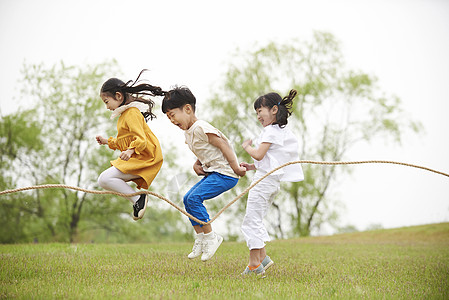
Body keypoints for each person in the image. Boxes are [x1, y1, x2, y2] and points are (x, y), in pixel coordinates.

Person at [162, 86, 246, 261]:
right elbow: (204, 151)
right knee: (187, 199)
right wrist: (197, 163)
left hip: (225, 174)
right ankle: (201, 238)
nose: (171, 120)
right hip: (213, 173)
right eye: (168, 117)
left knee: (194, 199)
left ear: (187, 109)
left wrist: (236, 167)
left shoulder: (201, 127)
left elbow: (224, 145)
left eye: (172, 115)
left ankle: (211, 237)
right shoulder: (188, 133)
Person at [240, 89, 304, 276]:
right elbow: (268, 160)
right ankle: (263, 258)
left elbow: (259, 153)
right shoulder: (279, 131)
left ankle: (254, 265)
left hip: (263, 182)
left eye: (261, 110)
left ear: (274, 110)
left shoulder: (270, 131)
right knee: (256, 218)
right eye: (257, 112)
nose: (258, 115)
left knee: (251, 220)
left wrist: (247, 147)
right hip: (270, 181)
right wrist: (253, 166)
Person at [96, 70, 164, 221]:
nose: (107, 107)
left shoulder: (131, 113)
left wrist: (131, 150)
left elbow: (140, 139)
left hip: (146, 157)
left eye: (107, 102)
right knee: (104, 179)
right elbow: (124, 141)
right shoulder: (124, 116)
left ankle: (138, 198)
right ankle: (137, 199)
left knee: (104, 179)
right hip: (141, 156)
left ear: (118, 96)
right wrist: (107, 141)